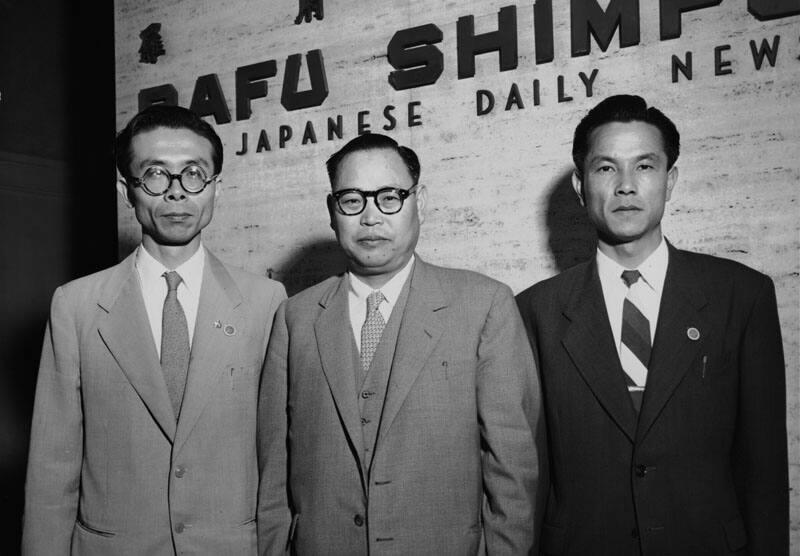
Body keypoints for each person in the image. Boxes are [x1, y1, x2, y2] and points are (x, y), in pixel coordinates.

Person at [516, 94, 788, 555]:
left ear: (670, 179)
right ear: (581, 186)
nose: (625, 186)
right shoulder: (533, 312)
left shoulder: (741, 296)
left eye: (644, 166)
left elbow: (763, 471)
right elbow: (529, 473)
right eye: (605, 168)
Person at [257, 132, 540, 555]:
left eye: (389, 196)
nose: (371, 217)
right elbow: (274, 475)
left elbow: (512, 471)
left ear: (419, 202)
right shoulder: (295, 318)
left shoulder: (484, 305)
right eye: (352, 199)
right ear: (333, 211)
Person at [22, 104, 286, 554]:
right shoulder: (77, 305)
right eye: (156, 176)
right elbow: (52, 469)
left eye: (194, 175)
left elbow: (276, 461)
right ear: (127, 190)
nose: (176, 194)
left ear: (215, 189)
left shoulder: (266, 302)